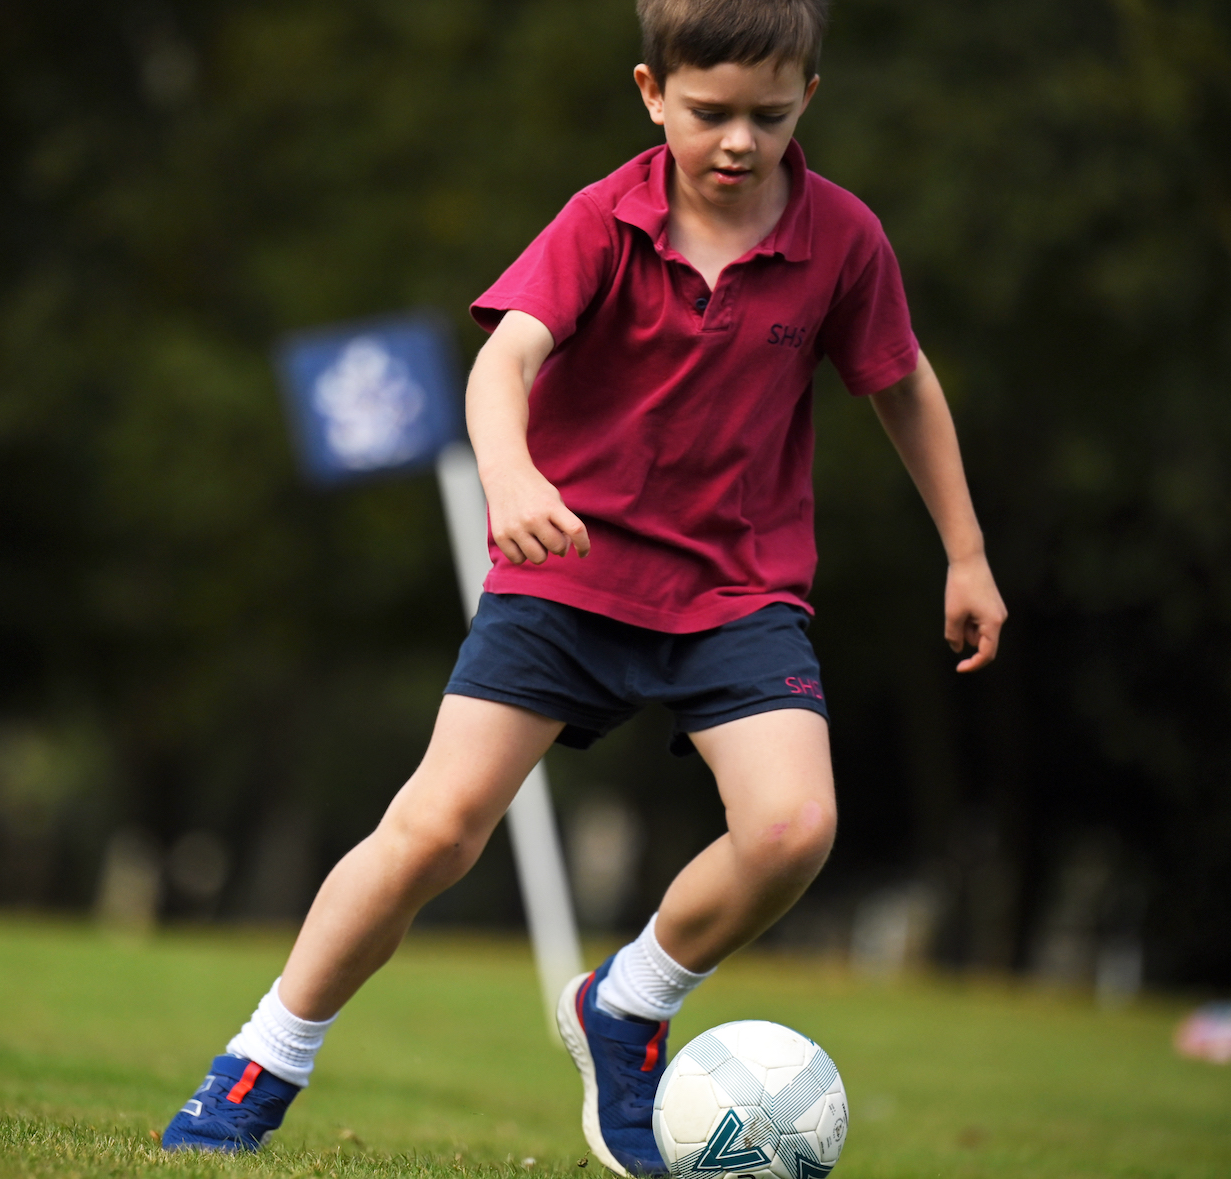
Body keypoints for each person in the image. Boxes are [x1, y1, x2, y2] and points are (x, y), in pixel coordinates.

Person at [161, 0, 1007, 1171]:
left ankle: (626, 1003)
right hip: (563, 576)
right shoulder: (601, 220)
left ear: (807, 98)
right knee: (434, 831)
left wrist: (964, 552)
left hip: (737, 593)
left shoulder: (842, 239)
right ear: (651, 94)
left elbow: (900, 382)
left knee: (793, 828)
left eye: (768, 117)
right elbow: (502, 359)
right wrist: (510, 477)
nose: (738, 142)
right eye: (708, 112)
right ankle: (259, 1064)